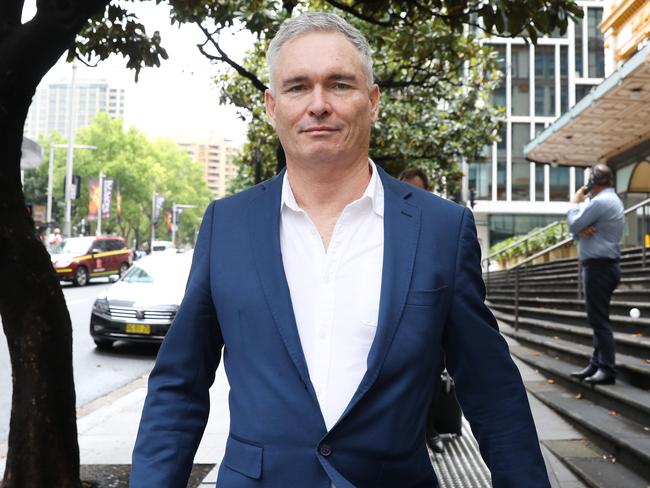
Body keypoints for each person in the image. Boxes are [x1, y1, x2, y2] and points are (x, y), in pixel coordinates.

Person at [132, 12, 550, 487]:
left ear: (372, 102)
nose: (318, 105)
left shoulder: (441, 229)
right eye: (297, 87)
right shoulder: (226, 225)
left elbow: (493, 392)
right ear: (271, 107)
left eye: (339, 84)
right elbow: (179, 388)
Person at [568, 164, 624, 386]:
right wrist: (579, 230)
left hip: (600, 268)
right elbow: (577, 231)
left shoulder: (600, 202)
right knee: (598, 318)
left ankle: (607, 368)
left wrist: (575, 203)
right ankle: (596, 363)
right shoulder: (609, 200)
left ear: (593, 183)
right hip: (603, 266)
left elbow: (573, 223)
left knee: (598, 320)